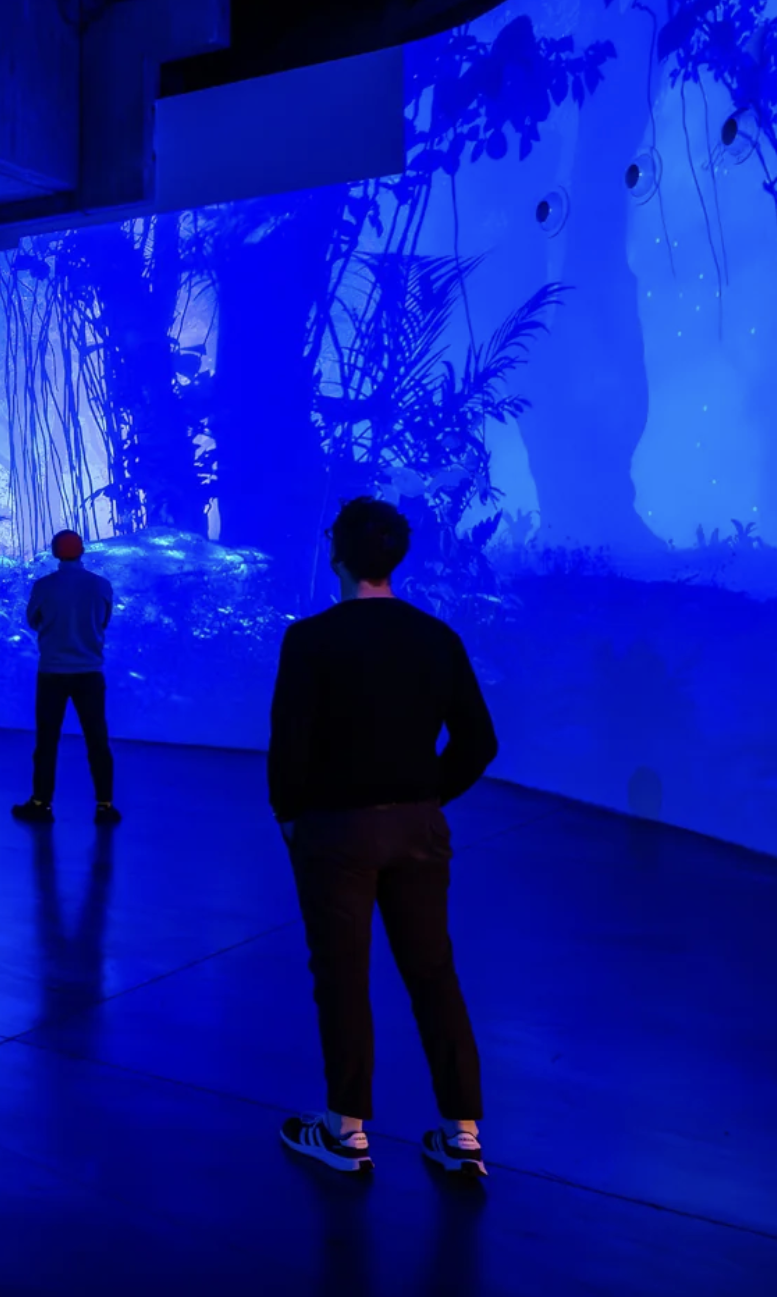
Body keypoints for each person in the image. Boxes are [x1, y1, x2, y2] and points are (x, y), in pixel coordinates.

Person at [268, 497, 498, 1180]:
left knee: (342, 976)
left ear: (337, 555)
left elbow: (289, 745)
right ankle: (462, 1136)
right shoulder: (437, 638)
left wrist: (292, 816)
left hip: (335, 830)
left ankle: (346, 1134)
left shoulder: (310, 640)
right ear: (395, 558)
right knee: (433, 974)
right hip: (418, 827)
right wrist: (425, 794)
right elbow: (480, 742)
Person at [14, 529, 119, 825]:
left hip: (52, 672)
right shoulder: (101, 585)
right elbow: (103, 622)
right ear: (82, 551)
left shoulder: (44, 586)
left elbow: (33, 621)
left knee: (47, 741)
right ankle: (105, 806)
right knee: (97, 741)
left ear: (54, 553)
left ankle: (41, 803)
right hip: (89, 672)